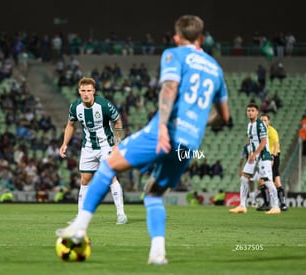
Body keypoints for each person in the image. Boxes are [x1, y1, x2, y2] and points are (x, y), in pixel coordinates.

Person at [56, 15, 230, 265]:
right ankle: (157, 253)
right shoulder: (216, 69)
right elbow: (225, 117)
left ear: (177, 37)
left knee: (108, 165)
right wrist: (199, 122)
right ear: (202, 38)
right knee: (153, 194)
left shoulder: (174, 54)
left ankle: (79, 229)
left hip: (164, 132)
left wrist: (161, 128)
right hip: (189, 143)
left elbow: (169, 88)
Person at [59, 77, 127, 225]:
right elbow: (70, 125)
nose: (86, 94)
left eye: (89, 91)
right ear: (79, 91)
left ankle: (121, 214)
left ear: (94, 91)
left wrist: (117, 142)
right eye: (83, 91)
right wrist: (65, 143)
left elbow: (118, 120)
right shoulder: (75, 107)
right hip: (88, 147)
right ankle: (80, 217)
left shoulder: (104, 105)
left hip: (106, 146)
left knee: (110, 177)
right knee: (84, 180)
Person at [229, 103, 280, 214]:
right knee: (244, 178)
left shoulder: (260, 124)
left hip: (263, 156)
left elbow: (263, 142)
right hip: (254, 156)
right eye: (248, 110)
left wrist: (254, 154)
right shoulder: (249, 125)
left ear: (257, 112)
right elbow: (251, 142)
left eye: (252, 110)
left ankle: (276, 206)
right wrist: (251, 155)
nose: (250, 112)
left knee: (267, 180)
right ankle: (242, 205)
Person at [260, 113, 288, 211]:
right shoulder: (261, 131)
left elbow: (276, 145)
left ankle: (279, 203)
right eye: (261, 120)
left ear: (269, 121)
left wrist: (273, 156)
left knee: (273, 179)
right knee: (266, 180)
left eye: (265, 120)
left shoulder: (271, 131)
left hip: (273, 156)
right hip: (265, 157)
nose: (263, 122)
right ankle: (271, 203)